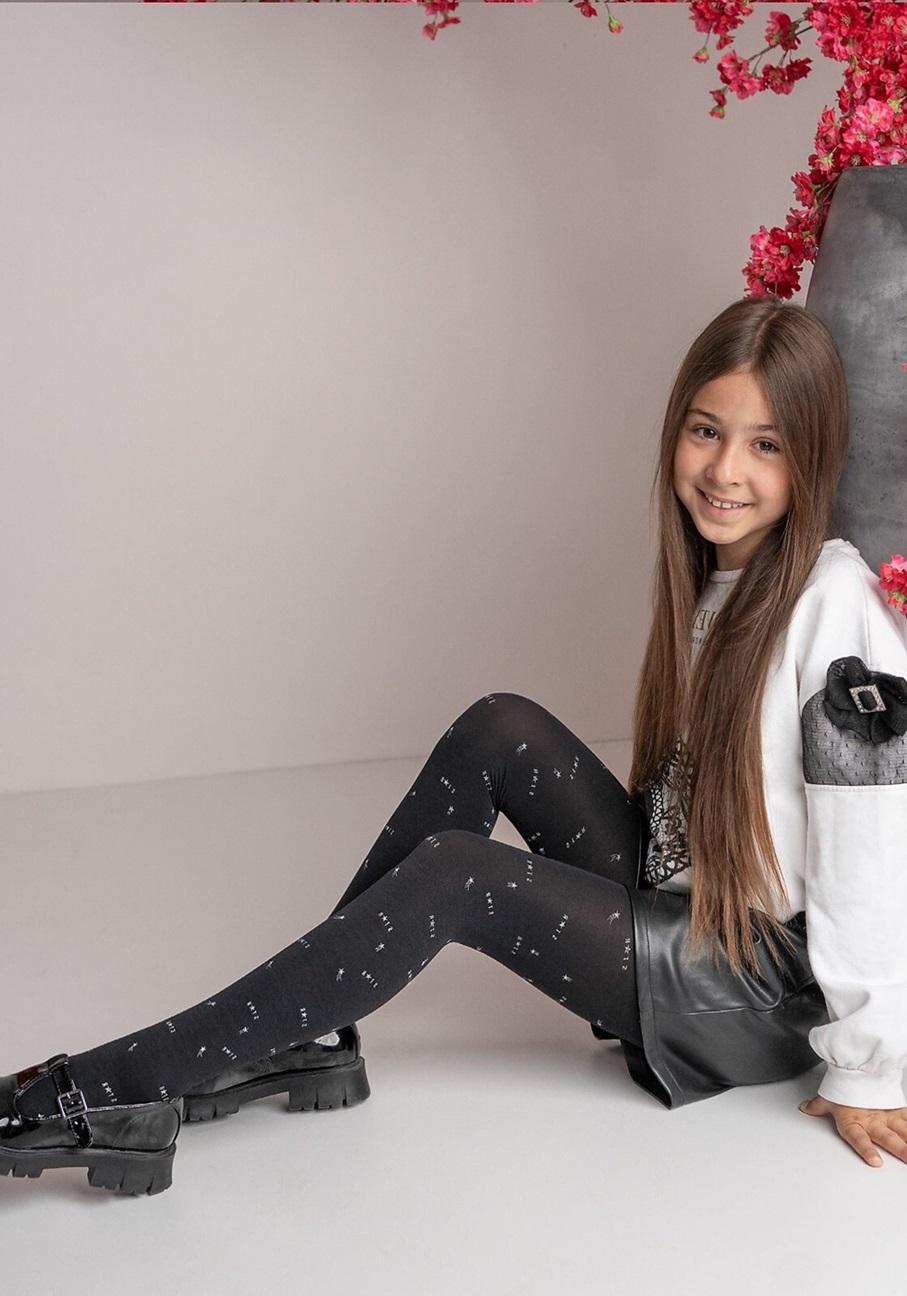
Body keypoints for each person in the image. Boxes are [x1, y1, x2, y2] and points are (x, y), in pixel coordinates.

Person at [4, 298, 907, 1197]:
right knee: (499, 725)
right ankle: (306, 1034)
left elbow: (872, 851)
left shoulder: (833, 603)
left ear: (811, 456)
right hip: (689, 904)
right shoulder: (722, 578)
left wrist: (869, 1069)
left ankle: (119, 1088)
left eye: (765, 445)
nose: (723, 469)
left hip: (747, 987)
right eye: (705, 430)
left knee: (457, 875)